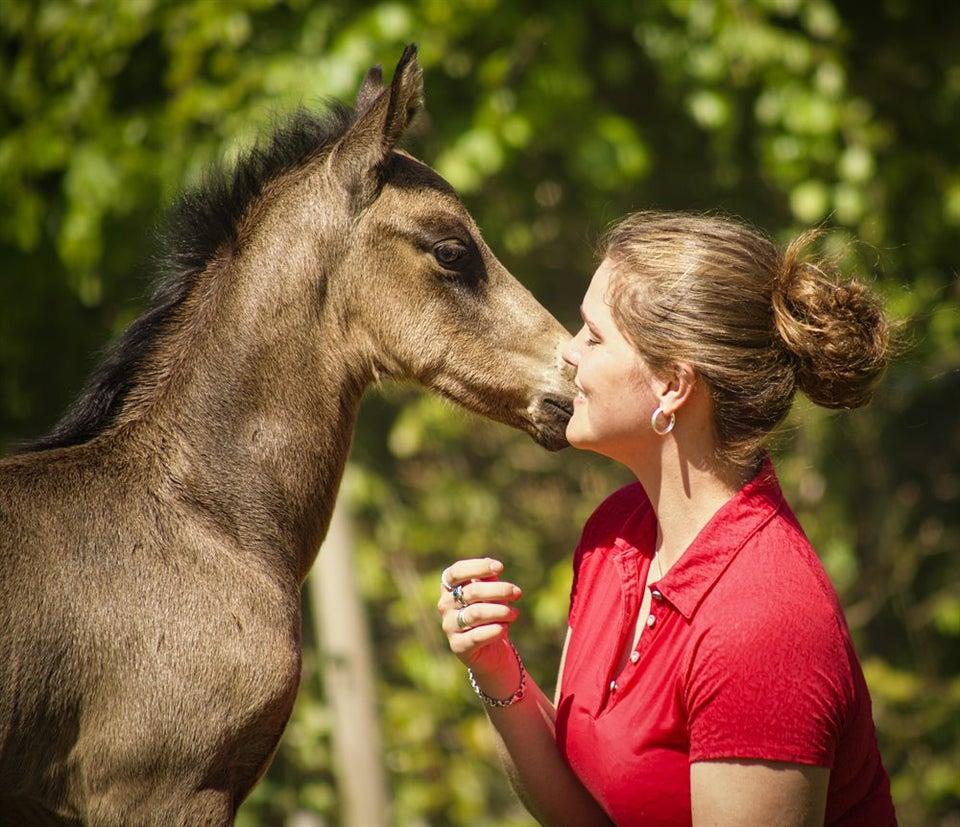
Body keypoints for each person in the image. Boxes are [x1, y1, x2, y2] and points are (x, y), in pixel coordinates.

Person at [437, 210, 898, 826]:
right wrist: (494, 668)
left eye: (593, 336)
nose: (568, 353)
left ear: (673, 386)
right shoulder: (614, 532)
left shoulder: (763, 623)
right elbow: (584, 816)